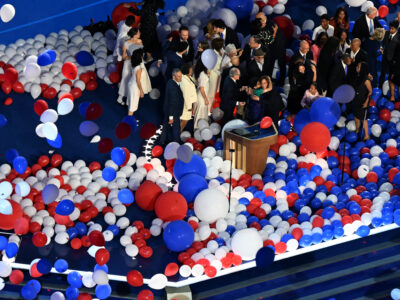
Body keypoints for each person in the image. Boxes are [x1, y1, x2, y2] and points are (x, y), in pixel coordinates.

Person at [253, 12, 286, 85]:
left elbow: (269, 40)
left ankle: (281, 82)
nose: (256, 20)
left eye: (257, 19)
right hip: (269, 49)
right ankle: (267, 81)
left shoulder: (271, 25)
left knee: (281, 65)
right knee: (269, 66)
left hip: (278, 47)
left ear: (261, 19)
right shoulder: (259, 26)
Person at [352, 7, 382, 87]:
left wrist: (381, 32)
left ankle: (373, 83)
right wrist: (365, 39)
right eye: (375, 14)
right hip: (364, 47)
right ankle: (364, 84)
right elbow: (355, 34)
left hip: (373, 46)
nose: (376, 16)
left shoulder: (374, 19)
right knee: (366, 66)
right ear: (369, 14)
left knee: (373, 65)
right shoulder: (359, 21)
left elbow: (379, 26)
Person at [117, 28, 143, 105]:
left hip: (137, 64)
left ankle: (130, 99)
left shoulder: (140, 41)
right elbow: (124, 57)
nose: (140, 33)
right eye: (138, 33)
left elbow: (141, 53)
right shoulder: (126, 43)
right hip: (128, 64)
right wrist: (133, 57)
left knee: (135, 81)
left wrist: (139, 58)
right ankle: (120, 98)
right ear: (134, 35)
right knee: (125, 80)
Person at [159, 68, 184, 144]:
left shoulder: (170, 82)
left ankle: (163, 140)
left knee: (165, 125)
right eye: (179, 77)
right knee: (176, 129)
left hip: (167, 109)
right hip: (173, 111)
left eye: (181, 76)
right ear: (174, 77)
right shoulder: (174, 88)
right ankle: (176, 144)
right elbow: (172, 103)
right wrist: (171, 117)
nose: (181, 78)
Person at [350, 62, 372, 140]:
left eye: (359, 67)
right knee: (356, 117)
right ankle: (357, 130)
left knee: (363, 119)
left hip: (363, 101)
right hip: (356, 100)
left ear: (362, 69)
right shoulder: (357, 76)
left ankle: (366, 135)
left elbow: (370, 92)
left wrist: (366, 102)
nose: (357, 67)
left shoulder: (366, 80)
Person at [380, 21, 400, 95]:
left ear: (396, 29)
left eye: (392, 29)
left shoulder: (399, 37)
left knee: (391, 77)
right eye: (390, 28)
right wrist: (381, 47)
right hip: (385, 57)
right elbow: (383, 43)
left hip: (393, 61)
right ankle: (380, 88)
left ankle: (391, 93)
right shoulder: (387, 33)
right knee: (382, 73)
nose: (390, 30)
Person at [127, 49, 146, 116]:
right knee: (132, 106)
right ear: (140, 56)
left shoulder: (134, 63)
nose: (144, 54)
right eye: (142, 54)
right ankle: (128, 122)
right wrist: (141, 91)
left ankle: (129, 118)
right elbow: (138, 80)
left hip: (131, 83)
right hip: (134, 87)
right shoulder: (139, 68)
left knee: (131, 103)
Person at [207, 38, 224, 113]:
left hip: (219, 77)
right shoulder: (212, 54)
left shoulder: (222, 52)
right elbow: (210, 67)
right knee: (211, 93)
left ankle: (214, 109)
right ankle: (209, 110)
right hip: (214, 76)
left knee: (217, 93)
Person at [180, 63, 197, 131]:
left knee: (182, 119)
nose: (192, 71)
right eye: (191, 70)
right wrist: (189, 107)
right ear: (187, 70)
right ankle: (177, 135)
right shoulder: (185, 82)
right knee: (185, 120)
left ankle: (176, 133)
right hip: (186, 105)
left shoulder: (187, 77)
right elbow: (186, 95)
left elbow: (194, 82)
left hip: (185, 104)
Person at [193, 59, 210, 129]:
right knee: (200, 115)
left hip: (201, 96)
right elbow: (202, 88)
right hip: (202, 98)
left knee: (201, 115)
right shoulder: (202, 74)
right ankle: (197, 131)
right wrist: (206, 99)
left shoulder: (201, 73)